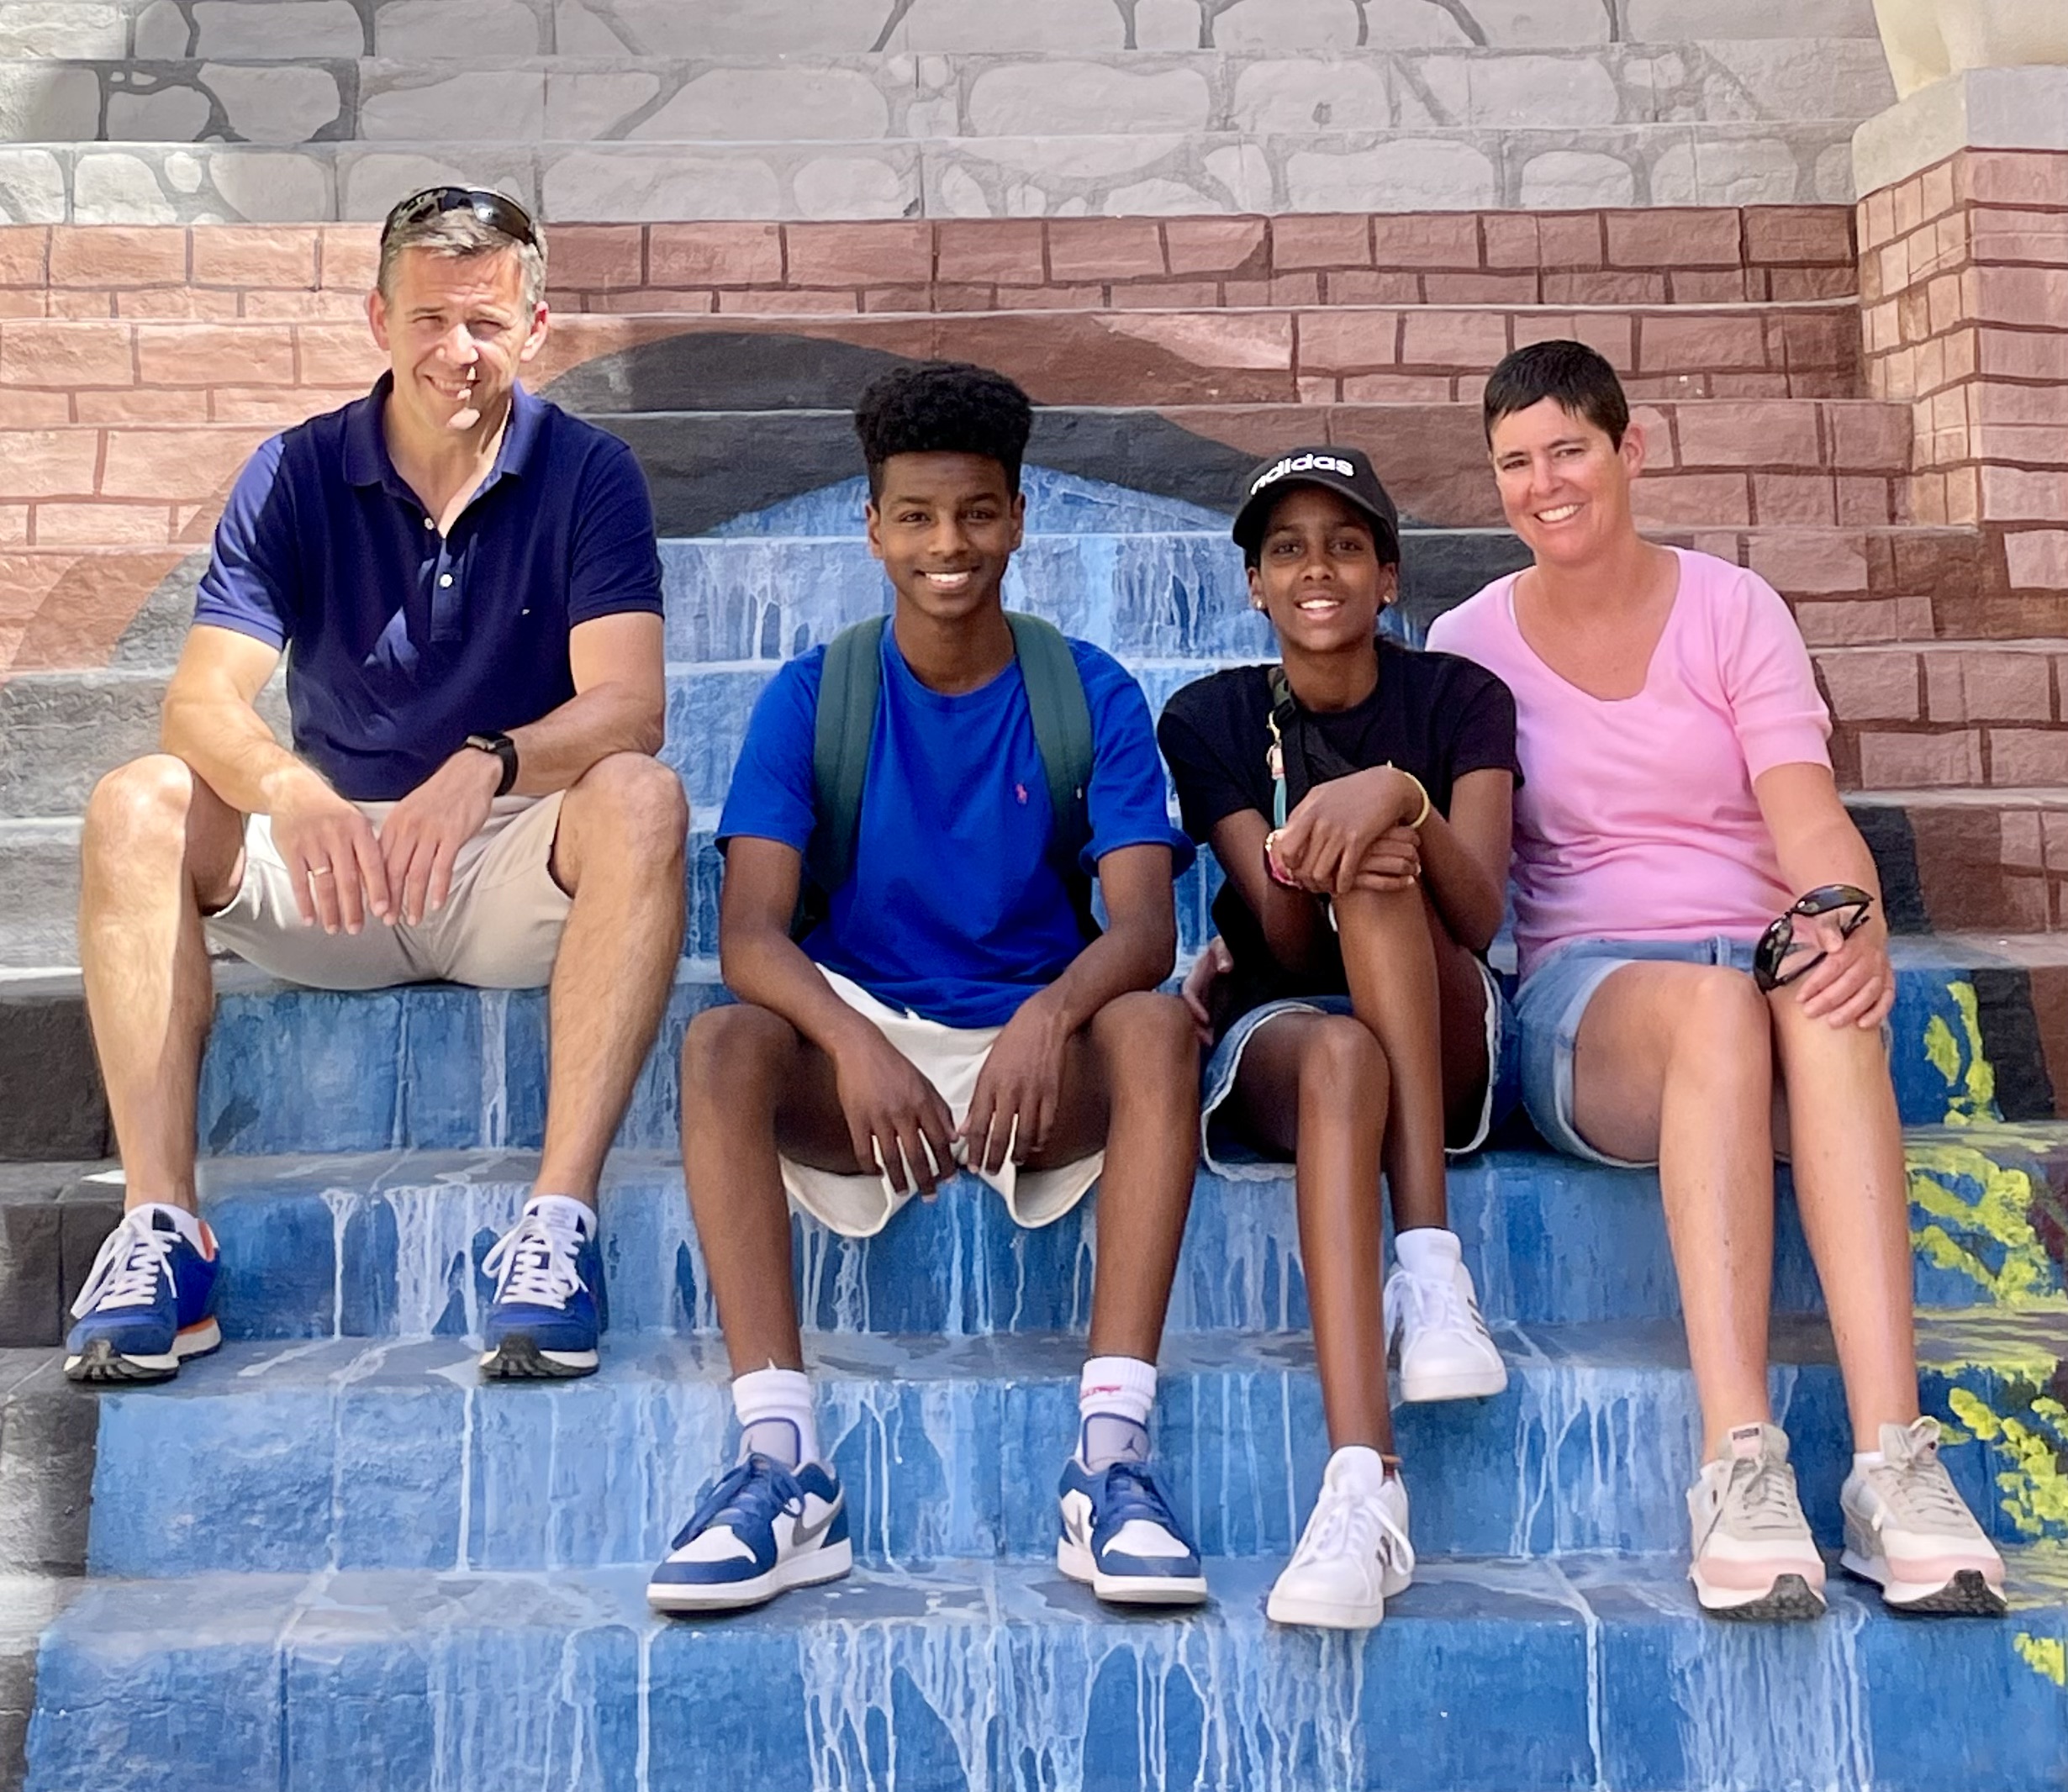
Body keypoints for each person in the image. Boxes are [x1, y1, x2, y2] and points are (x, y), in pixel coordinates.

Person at [66, 186, 686, 1388]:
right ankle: (162, 1233)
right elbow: (199, 702)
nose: (459, 351)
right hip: (335, 872)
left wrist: (489, 763)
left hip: (508, 864)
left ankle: (558, 1228)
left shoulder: (589, 472)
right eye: (431, 320)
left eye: (488, 324)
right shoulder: (296, 471)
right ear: (379, 320)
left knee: (641, 797)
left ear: (535, 327)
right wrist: (292, 792)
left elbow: (629, 706)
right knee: (136, 800)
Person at [1427, 339, 2006, 1620]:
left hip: (1755, 970)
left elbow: (1806, 816)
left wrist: (1846, 918)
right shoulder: (1468, 645)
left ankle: (1894, 1464)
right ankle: (1738, 1462)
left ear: (1629, 451)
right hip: (1593, 1005)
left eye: (1568, 450)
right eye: (1515, 464)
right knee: (1719, 1012)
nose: (1544, 484)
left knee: (1819, 996)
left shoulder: (1734, 609)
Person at [649, 362, 1207, 1616]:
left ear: (1016, 520)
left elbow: (1143, 930)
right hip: (869, 1066)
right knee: (723, 1046)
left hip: (1034, 1067)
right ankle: (780, 1462)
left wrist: (1050, 1014)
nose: (946, 544)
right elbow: (750, 936)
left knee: (1157, 1030)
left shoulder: (1087, 690)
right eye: (915, 516)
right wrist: (852, 1042)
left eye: (974, 514)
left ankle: (1112, 1458)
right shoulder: (815, 695)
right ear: (873, 527)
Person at [1158, 447, 1517, 1630]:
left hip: (1448, 1019)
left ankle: (1431, 1263)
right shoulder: (1209, 717)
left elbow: (1479, 914)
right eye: (1288, 550)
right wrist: (1341, 829)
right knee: (1344, 1036)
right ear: (1255, 584)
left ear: (1389, 575)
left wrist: (1397, 794)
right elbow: (1282, 940)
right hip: (1292, 1025)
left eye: (1348, 545)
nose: (1319, 569)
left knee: (1382, 860)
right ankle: (1365, 1481)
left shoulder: (1461, 698)